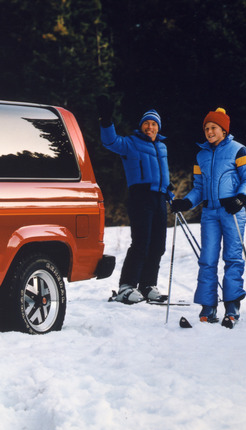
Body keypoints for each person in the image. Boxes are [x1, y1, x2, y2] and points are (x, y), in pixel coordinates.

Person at [170, 108, 246, 328]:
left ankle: (232, 305)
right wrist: (186, 202)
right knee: (207, 259)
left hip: (232, 211)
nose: (209, 132)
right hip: (209, 213)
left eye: (213, 128)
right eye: (207, 128)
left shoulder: (239, 150)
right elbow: (198, 188)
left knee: (232, 257)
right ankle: (208, 306)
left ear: (224, 130)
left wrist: (240, 198)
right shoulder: (201, 155)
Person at [98, 96, 170, 304]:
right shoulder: (131, 143)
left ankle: (147, 285)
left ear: (158, 127)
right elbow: (110, 141)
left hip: (159, 199)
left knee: (158, 245)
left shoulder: (162, 147)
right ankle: (126, 286)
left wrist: (171, 194)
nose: (150, 127)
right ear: (141, 126)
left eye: (154, 124)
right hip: (141, 197)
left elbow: (164, 176)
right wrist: (106, 120)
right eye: (146, 123)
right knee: (141, 243)